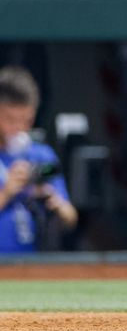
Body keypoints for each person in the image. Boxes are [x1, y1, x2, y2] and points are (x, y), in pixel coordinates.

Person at [0, 66, 77, 252]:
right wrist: (7, 191)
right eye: (10, 119)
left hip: (33, 265)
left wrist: (55, 203)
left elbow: (70, 218)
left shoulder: (42, 156)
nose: (18, 127)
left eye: (26, 120)